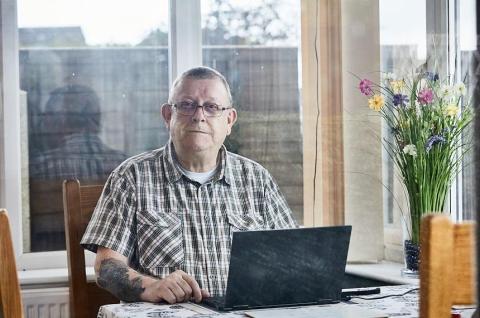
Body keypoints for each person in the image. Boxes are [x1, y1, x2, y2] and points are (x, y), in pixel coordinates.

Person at [81, 66, 297, 304]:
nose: (198, 115)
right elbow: (107, 267)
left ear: (229, 120)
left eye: (212, 107)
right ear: (167, 115)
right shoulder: (130, 178)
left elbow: (291, 261)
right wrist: (152, 286)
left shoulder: (258, 180)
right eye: (186, 105)